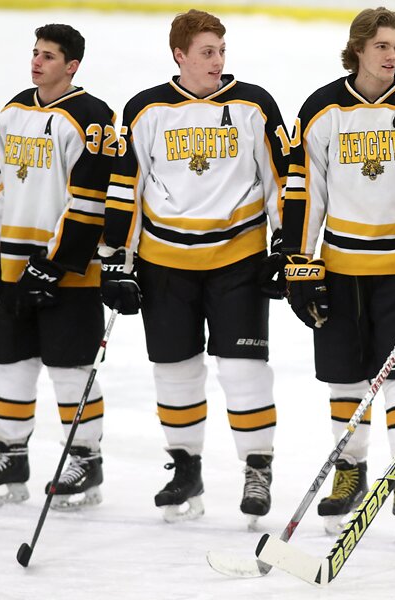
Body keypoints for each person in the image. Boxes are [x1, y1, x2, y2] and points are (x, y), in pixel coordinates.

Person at [280, 7, 395, 537]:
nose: (392, 56)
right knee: (345, 375)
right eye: (382, 46)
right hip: (341, 268)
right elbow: (304, 187)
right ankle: (351, 471)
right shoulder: (322, 108)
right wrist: (300, 262)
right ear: (358, 47)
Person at [100, 9, 288, 524]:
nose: (217, 61)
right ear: (179, 55)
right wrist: (116, 261)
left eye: (221, 51)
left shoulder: (254, 104)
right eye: (207, 52)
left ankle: (257, 468)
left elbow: (281, 179)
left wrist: (286, 247)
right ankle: (186, 469)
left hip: (238, 261)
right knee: (175, 371)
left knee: (245, 370)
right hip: (164, 264)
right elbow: (126, 188)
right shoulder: (145, 108)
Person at [0, 24, 116, 510]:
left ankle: (86, 461)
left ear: (72, 66)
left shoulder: (92, 117)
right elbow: (5, 186)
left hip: (68, 271)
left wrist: (55, 263)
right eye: (35, 53)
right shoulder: (13, 111)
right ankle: (10, 455)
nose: (36, 62)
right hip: (16, 264)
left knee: (70, 368)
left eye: (48, 56)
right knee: (11, 363)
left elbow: (89, 202)